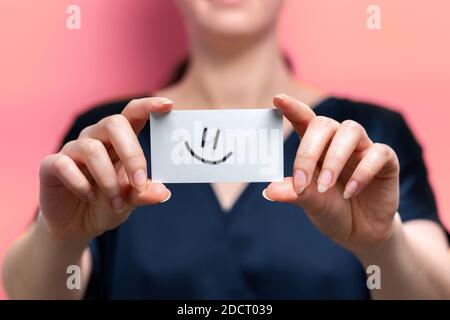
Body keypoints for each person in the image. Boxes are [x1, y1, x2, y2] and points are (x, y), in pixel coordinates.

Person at [3, 0, 450, 299]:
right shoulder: (109, 135)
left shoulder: (370, 134)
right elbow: (30, 290)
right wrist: (58, 239)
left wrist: (384, 247)